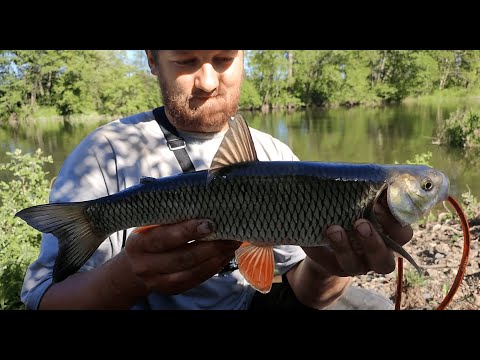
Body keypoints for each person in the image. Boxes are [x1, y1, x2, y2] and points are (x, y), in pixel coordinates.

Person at [20, 50, 413, 310]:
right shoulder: (104, 153)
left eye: (224, 58)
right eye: (186, 60)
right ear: (153, 60)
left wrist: (333, 264)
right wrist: (126, 279)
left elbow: (307, 291)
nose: (208, 81)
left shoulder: (274, 155)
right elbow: (42, 299)